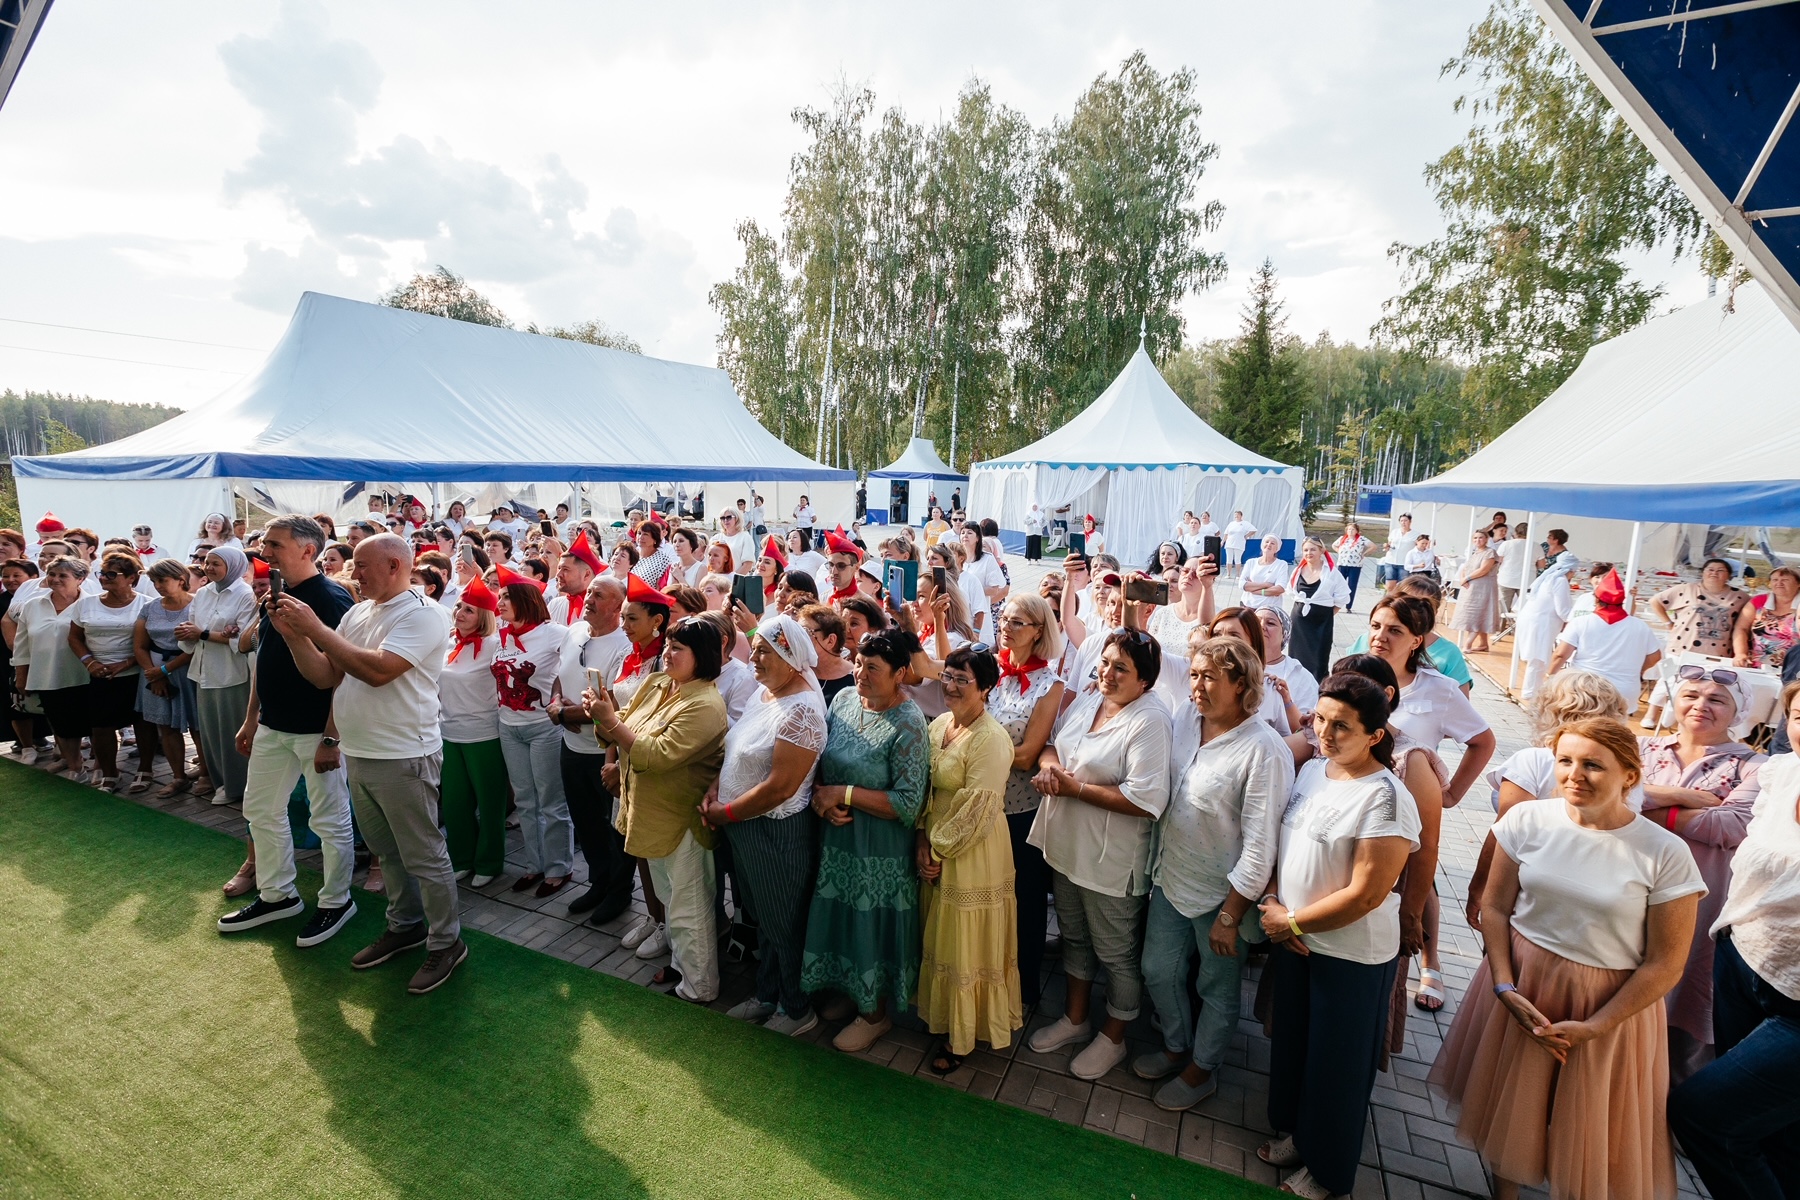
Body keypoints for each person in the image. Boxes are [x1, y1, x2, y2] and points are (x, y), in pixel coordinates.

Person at [1431, 718, 1703, 1200]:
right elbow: (1495, 909)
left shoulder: (1665, 853)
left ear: (1630, 776)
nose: (1575, 774)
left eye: (1593, 764)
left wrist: (1598, 1024)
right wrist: (1504, 986)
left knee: (1593, 1120)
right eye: (1565, 761)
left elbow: (1666, 963)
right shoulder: (1526, 821)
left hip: (1611, 1004)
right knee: (1513, 1099)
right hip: (1523, 983)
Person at [273, 533, 465, 994]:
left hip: (405, 754)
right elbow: (326, 675)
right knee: (387, 851)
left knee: (423, 853)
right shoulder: (360, 611)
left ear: (396, 565)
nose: (351, 573)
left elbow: (378, 671)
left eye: (361, 565)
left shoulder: (425, 614)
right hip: (361, 752)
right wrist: (296, 637)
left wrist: (315, 628)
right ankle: (405, 926)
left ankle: (447, 942)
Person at [1256, 672, 1420, 1200]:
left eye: (1342, 726)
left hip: (1348, 954)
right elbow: (1287, 848)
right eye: (1321, 720)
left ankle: (1328, 1168)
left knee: (1338, 1065)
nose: (1326, 733)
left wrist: (1294, 922)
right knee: (1298, 1046)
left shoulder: (1386, 799)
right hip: (1297, 938)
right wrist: (1277, 904)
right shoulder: (1312, 772)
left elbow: (1368, 893)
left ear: (1375, 735)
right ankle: (1300, 1134)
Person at [1137, 636, 1293, 1111]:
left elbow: (1261, 843)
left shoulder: (1264, 749)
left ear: (1242, 684)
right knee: (1158, 970)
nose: (1197, 686)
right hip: (1171, 875)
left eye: (1210, 677)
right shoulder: (1186, 719)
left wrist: (1231, 915)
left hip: (1223, 897)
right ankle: (1176, 1046)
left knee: (1217, 987)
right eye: (1195, 675)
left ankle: (1202, 1069)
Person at [1668, 681, 1800, 1200]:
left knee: (1704, 1115)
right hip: (1742, 960)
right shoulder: (1781, 774)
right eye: (1798, 713)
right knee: (1778, 1134)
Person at [1028, 630, 1173, 1081]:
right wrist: (1050, 768)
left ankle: (1113, 1037)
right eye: (1105, 662)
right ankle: (1076, 1019)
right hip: (1067, 845)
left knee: (1116, 953)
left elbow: (1147, 799)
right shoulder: (1092, 697)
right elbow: (1054, 742)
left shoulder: (1150, 721)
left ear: (1145, 680)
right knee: (1074, 937)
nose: (1106, 673)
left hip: (1110, 861)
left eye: (1121, 668)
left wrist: (1077, 789)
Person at [217, 517, 360, 947]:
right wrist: (250, 717)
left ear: (307, 550)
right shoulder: (273, 597)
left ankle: (337, 901)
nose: (265, 550)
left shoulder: (331, 598)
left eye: (275, 544)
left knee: (329, 820)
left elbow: (343, 673)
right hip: (273, 727)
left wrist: (331, 736)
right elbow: (265, 660)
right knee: (260, 810)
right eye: (264, 542)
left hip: (316, 731)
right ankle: (278, 895)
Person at [585, 615, 729, 1003]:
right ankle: (685, 972)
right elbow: (623, 728)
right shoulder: (660, 682)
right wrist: (603, 715)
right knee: (672, 900)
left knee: (689, 907)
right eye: (667, 645)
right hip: (650, 811)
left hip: (681, 820)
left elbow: (654, 755)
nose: (667, 653)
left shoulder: (706, 704)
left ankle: (699, 987)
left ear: (703, 656)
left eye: (677, 648)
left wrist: (610, 720)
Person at [800, 626, 931, 1051]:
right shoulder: (841, 700)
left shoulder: (909, 722)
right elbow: (823, 758)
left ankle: (875, 1015)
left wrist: (846, 794)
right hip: (838, 840)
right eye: (857, 663)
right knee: (840, 919)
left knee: (868, 926)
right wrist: (824, 796)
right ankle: (851, 994)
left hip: (879, 851)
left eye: (872, 668)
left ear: (900, 674)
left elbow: (909, 801)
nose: (860, 673)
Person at [1366, 595, 1495, 1010]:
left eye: (1394, 631)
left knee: (1420, 884)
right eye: (1375, 626)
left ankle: (1430, 962)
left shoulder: (1438, 689)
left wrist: (1452, 792)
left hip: (1410, 810)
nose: (1380, 637)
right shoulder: (1361, 675)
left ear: (1417, 640)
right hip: (1358, 808)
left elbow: (1482, 740)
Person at [701, 614, 828, 1035]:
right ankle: (768, 993)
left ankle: (796, 1009)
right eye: (753, 649)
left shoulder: (803, 712)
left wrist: (727, 811)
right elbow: (737, 744)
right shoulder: (768, 692)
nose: (753, 658)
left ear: (791, 658)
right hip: (746, 826)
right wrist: (718, 788)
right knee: (765, 918)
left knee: (784, 924)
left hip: (775, 832)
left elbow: (780, 788)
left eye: (764, 652)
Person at [1638, 666, 1766, 1081]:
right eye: (1691, 694)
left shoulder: (1756, 767)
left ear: (1738, 711)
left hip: (1697, 905)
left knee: (1683, 998)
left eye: (1716, 700)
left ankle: (1668, 1106)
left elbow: (1729, 826)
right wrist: (1687, 798)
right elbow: (1602, 797)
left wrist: (1643, 801)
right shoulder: (1640, 746)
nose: (1700, 705)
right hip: (1624, 889)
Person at [915, 644, 1021, 1072]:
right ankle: (943, 1019)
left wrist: (937, 848)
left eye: (963, 680)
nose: (952, 686)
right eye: (948, 676)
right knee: (941, 936)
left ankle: (962, 1038)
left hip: (971, 850)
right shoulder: (940, 723)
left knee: (966, 943)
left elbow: (977, 812)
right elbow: (925, 784)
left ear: (987, 688)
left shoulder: (992, 740)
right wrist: (922, 836)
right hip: (936, 841)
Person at [985, 594, 1065, 1008]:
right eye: (1005, 618)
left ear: (1038, 631)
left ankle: (1023, 989)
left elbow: (1028, 755)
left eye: (1019, 622)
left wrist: (976, 754)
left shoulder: (1050, 686)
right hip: (980, 804)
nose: (1007, 626)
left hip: (1020, 813)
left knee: (1024, 902)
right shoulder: (989, 668)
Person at [548, 575, 634, 924]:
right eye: (589, 593)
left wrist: (564, 714)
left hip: (605, 753)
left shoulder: (624, 645)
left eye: (599, 596)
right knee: (586, 823)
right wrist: (556, 702)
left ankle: (619, 892)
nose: (589, 600)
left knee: (613, 827)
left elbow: (611, 704)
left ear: (617, 607)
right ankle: (598, 882)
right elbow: (559, 674)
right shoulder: (574, 631)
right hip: (571, 747)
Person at [490, 573, 572, 896]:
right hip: (508, 726)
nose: (500, 603)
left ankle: (559, 868)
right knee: (525, 800)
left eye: (507, 598)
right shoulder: (502, 636)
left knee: (551, 799)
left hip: (544, 727)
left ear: (527, 600)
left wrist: (558, 699)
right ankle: (534, 865)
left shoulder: (556, 634)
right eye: (500, 598)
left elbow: (570, 670)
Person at [436, 576, 510, 887]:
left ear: (483, 616)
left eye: (468, 610)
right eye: (458, 608)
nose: (460, 613)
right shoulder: (447, 642)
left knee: (491, 802)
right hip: (448, 733)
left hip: (484, 735)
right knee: (454, 802)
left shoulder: (495, 645)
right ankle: (462, 858)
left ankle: (489, 863)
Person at [178, 547, 255, 817]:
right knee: (210, 731)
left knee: (232, 731)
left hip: (230, 673)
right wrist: (191, 634)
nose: (208, 568)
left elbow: (243, 640)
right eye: (206, 562)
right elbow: (193, 629)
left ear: (233, 566)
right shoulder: (203, 592)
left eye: (216, 563)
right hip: (202, 670)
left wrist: (205, 633)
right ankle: (221, 781)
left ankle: (241, 786)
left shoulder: (245, 595)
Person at [67, 551, 148, 791]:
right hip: (99, 674)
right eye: (102, 573)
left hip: (136, 674)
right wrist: (90, 663)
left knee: (143, 724)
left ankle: (145, 770)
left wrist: (126, 663)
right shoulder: (86, 604)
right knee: (101, 726)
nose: (104, 578)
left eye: (112, 574)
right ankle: (110, 773)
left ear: (132, 577)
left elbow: (151, 641)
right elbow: (74, 637)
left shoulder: (146, 603)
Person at [9, 556, 91, 778]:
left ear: (81, 579)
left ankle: (102, 767)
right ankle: (76, 767)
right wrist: (21, 675)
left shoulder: (91, 603)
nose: (55, 579)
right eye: (51, 574)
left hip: (85, 676)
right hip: (46, 674)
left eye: (62, 575)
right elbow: (21, 644)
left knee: (92, 724)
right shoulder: (33, 604)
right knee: (60, 724)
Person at [1548, 568, 1662, 705]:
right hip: (1624, 691)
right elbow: (1655, 656)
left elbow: (1560, 655)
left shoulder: (1581, 622)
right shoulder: (1640, 626)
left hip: (1585, 687)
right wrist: (1639, 671)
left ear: (1596, 600)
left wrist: (1549, 678)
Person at [1651, 557, 1756, 667]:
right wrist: (1668, 623)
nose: (1714, 573)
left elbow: (1748, 620)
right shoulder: (1687, 589)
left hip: (1718, 653)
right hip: (1682, 648)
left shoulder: (1740, 597)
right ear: (1703, 573)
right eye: (1710, 569)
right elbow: (1655, 601)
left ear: (1729, 575)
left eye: (1720, 570)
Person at [1516, 549, 1577, 701]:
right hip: (1540, 623)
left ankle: (1533, 691)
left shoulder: (1548, 577)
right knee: (1538, 659)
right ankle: (1530, 692)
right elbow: (1563, 610)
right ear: (1571, 570)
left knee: (1537, 658)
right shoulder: (1560, 581)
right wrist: (1576, 620)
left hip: (1534, 620)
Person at [1286, 537, 1349, 682]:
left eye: (1313, 549)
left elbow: (1343, 597)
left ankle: (1317, 691)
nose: (1309, 553)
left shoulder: (1331, 572)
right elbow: (1291, 591)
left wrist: (1326, 615)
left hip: (1321, 624)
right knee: (1296, 657)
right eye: (1306, 550)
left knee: (1318, 660)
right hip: (1299, 623)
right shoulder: (1298, 570)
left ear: (1321, 550)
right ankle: (1295, 685)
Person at [1254, 606, 1321, 722]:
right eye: (1256, 622)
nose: (1261, 626)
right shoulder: (1236, 665)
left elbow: (1309, 727)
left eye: (1270, 623)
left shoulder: (1299, 675)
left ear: (1284, 634)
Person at [1147, 556, 1218, 664]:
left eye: (1196, 574)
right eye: (1185, 571)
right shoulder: (1162, 613)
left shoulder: (1216, 616)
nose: (1188, 576)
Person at [1450, 529, 1501, 652]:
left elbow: (1484, 570)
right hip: (1471, 588)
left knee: (1479, 613)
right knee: (1470, 614)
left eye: (1480, 538)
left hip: (1483, 588)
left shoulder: (1490, 552)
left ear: (1486, 539)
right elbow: (1465, 568)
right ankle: (1483, 644)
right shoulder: (1475, 552)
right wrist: (1463, 579)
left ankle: (1468, 644)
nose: (1477, 540)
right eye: (1475, 538)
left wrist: (1467, 578)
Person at [1750, 564, 1800, 669]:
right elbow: (1741, 628)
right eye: (1775, 580)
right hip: (1756, 663)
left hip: (1792, 666)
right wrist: (1740, 653)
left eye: (1785, 580)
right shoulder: (1759, 601)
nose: (1779, 583)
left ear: (1798, 583)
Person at [1239, 535, 1290, 613]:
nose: (1269, 544)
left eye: (1272, 543)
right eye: (1267, 542)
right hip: (1248, 606)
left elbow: (1279, 589)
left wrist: (1256, 591)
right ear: (1262, 545)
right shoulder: (1251, 562)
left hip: (1269, 610)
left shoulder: (1281, 564)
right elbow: (1242, 585)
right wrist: (1266, 585)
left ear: (1277, 549)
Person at [1332, 523, 1372, 611]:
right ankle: (1335, 603)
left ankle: (1348, 606)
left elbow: (1373, 546)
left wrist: (1364, 554)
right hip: (1342, 564)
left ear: (1357, 531)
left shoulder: (1361, 539)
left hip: (1355, 566)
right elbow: (1334, 545)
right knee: (1338, 585)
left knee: (1352, 585)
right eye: (1349, 529)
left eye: (1353, 529)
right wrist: (1339, 551)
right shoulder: (1343, 538)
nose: (1350, 531)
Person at [1495, 521, 1529, 614]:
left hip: (1507, 578)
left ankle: (1502, 627)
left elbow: (1498, 561)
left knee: (1504, 608)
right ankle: (1520, 626)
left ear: (1516, 532)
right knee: (1525, 607)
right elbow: (1541, 564)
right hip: (1527, 580)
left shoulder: (1506, 544)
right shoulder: (1536, 545)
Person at [1378, 513, 1413, 593]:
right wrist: (1386, 546)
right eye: (1401, 521)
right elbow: (1389, 543)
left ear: (1410, 522)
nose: (1403, 522)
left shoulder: (1415, 534)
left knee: (1402, 586)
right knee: (1390, 586)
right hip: (1391, 561)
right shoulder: (1395, 532)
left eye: (1405, 520)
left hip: (1404, 563)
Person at [716, 509, 755, 573]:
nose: (725, 520)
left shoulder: (745, 537)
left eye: (729, 517)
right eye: (722, 518)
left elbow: (747, 565)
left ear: (737, 519)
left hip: (736, 580)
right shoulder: (716, 538)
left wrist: (733, 580)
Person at [1222, 511, 1254, 579]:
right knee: (1229, 559)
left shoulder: (1245, 523)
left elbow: (1253, 530)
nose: (1236, 516)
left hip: (1239, 544)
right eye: (1235, 515)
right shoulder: (1231, 524)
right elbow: (1226, 533)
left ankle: (1238, 574)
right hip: (1229, 543)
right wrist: (1223, 541)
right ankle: (1228, 574)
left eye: (1238, 515)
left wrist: (1246, 536)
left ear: (1241, 516)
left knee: (1237, 559)